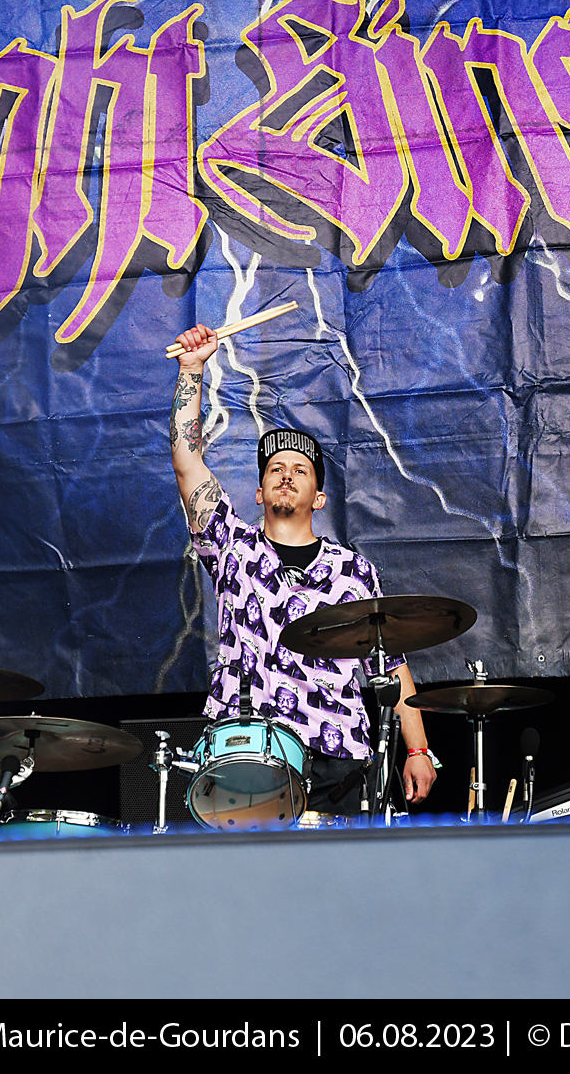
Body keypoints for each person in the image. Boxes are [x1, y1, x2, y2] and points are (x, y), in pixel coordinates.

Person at [169, 323, 438, 814]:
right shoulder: (232, 547)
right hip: (247, 753)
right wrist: (192, 369)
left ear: (319, 497)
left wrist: (418, 750)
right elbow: (187, 462)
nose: (286, 475)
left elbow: (389, 665)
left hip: (340, 757)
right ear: (259, 492)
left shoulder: (353, 571)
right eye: (275, 469)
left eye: (300, 470)